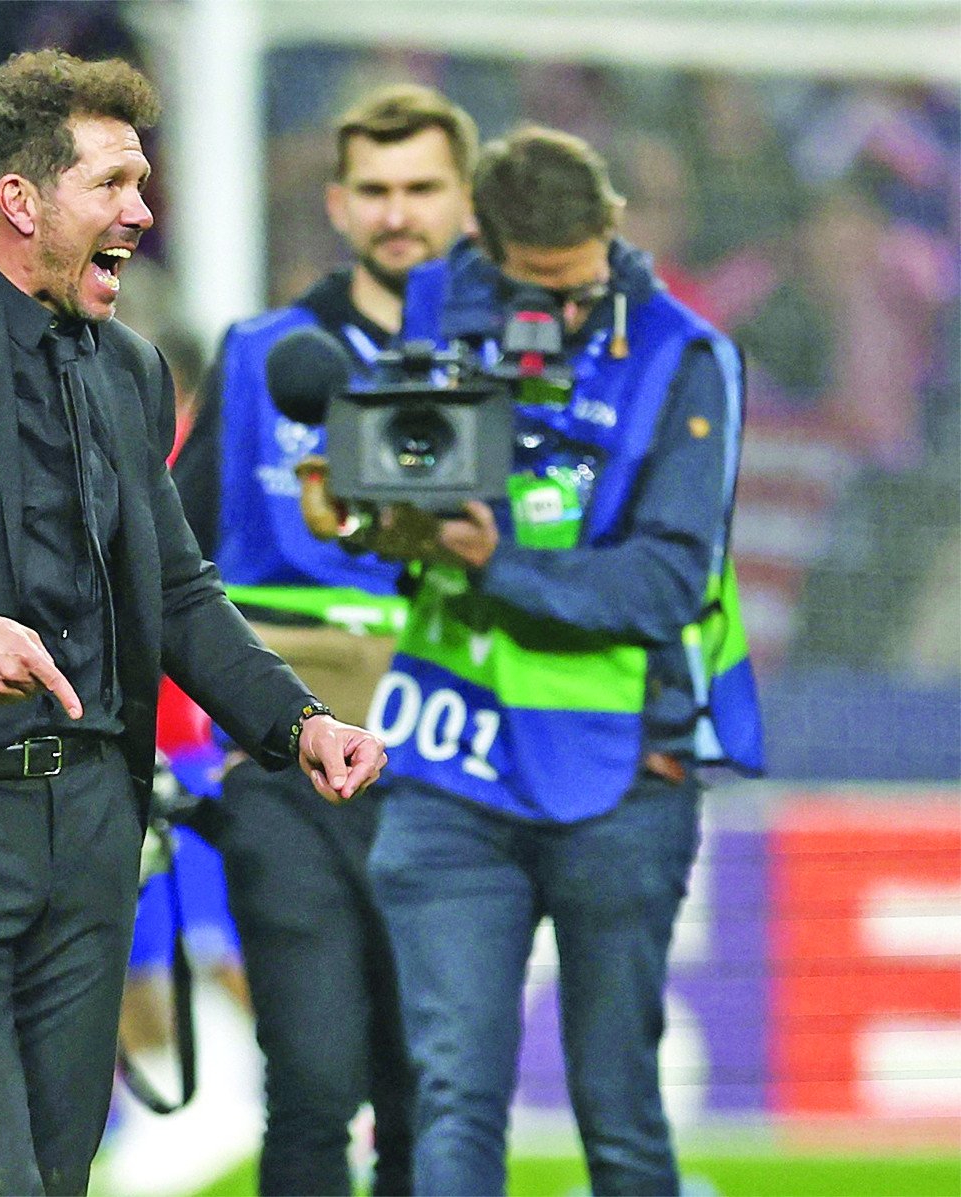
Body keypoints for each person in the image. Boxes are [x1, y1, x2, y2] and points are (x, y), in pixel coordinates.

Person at [0, 50, 388, 1195]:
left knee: (56, 1179)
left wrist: (296, 723)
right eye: (111, 183)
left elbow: (181, 592)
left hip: (94, 825)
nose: (140, 211)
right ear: (21, 199)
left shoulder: (132, 372)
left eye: (142, 183)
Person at [353, 127, 765, 1196]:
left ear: (613, 231)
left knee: (616, 1103)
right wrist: (371, 512)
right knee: (450, 1092)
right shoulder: (437, 303)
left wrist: (504, 565)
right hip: (452, 764)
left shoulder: (686, 356)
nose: (564, 312)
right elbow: (396, 477)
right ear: (488, 246)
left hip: (621, 773)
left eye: (581, 286)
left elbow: (669, 583)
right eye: (541, 287)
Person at [170, 83, 477, 1197]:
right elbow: (170, 555)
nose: (399, 213)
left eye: (422, 189)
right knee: (310, 1081)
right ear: (339, 206)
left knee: (430, 1092)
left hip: (459, 783)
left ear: (465, 203)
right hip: (290, 773)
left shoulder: (516, 366)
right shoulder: (261, 357)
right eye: (377, 191)